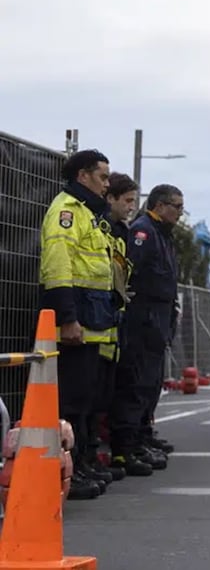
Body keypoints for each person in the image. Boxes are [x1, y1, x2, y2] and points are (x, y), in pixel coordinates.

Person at [39, 149, 116, 500]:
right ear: (83, 176)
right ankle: (64, 473)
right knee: (70, 402)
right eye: (102, 176)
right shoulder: (67, 211)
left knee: (84, 399)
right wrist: (68, 319)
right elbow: (58, 266)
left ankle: (79, 464)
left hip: (91, 323)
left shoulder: (88, 213)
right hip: (76, 325)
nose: (107, 183)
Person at [111, 184, 183, 474]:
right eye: (176, 206)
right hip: (144, 319)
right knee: (136, 382)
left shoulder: (162, 235)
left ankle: (141, 436)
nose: (179, 213)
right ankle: (125, 448)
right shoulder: (144, 232)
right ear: (161, 205)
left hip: (158, 318)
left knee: (150, 383)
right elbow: (132, 274)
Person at [85, 172, 141, 483]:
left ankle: (93, 456)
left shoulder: (121, 232)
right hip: (95, 324)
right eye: (128, 200)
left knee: (102, 398)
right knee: (87, 400)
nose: (133, 207)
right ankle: (87, 455)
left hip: (109, 327)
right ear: (111, 199)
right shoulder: (103, 228)